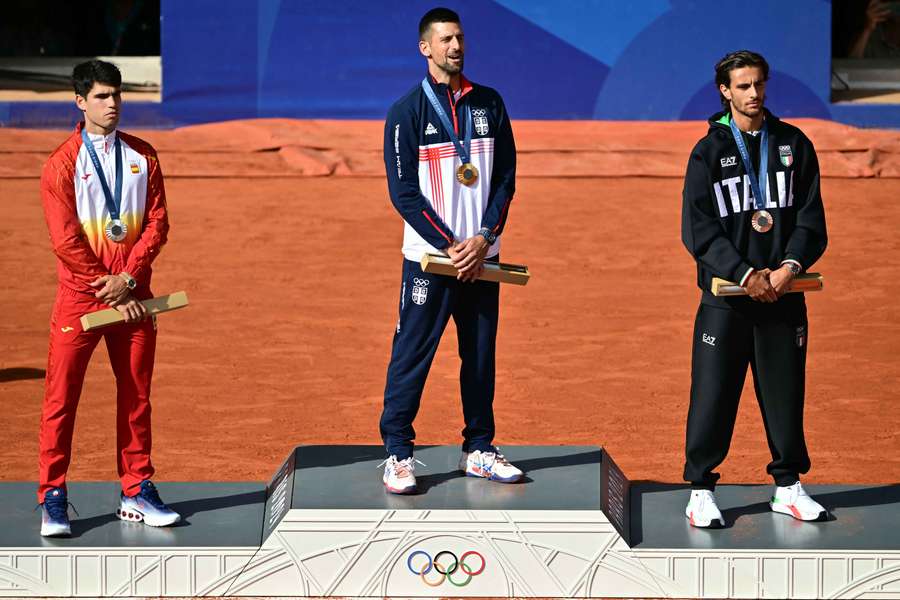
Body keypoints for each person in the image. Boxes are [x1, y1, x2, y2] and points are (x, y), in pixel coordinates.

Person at [680, 50, 829, 527]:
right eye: (743, 86)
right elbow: (699, 229)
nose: (754, 94)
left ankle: (787, 485)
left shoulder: (793, 143)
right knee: (713, 394)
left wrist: (788, 267)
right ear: (725, 91)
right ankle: (701, 488)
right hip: (727, 300)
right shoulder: (708, 152)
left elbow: (811, 218)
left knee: (786, 393)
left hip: (785, 294)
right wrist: (746, 273)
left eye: (759, 84)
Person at [379, 7, 522, 494]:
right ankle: (398, 452)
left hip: (483, 258)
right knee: (412, 354)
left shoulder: (490, 103)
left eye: (459, 38)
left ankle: (478, 448)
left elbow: (505, 178)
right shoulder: (406, 113)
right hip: (430, 260)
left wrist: (482, 239)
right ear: (425, 48)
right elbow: (403, 194)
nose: (455, 47)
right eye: (444, 40)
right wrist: (449, 245)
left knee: (480, 356)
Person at [37, 59, 180, 536]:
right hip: (81, 301)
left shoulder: (144, 156)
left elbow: (157, 222)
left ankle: (136, 488)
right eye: (101, 96)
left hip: (135, 297)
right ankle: (53, 496)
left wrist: (130, 279)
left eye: (116, 95)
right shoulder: (61, 164)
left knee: (137, 396)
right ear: (80, 102)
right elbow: (64, 239)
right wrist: (107, 284)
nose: (112, 104)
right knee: (61, 399)